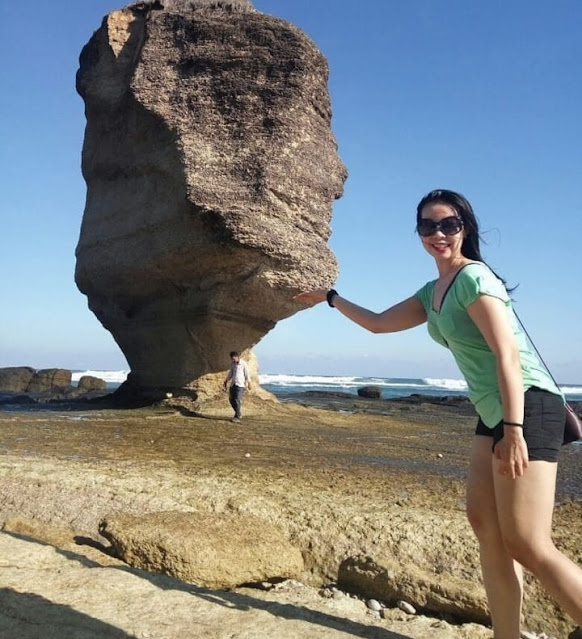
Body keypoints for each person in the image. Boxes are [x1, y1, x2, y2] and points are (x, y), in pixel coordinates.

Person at [295, 189, 582, 638]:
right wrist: (331, 298)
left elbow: (506, 354)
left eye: (448, 224)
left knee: (527, 541)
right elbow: (378, 323)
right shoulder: (433, 292)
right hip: (494, 411)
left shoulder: (474, 278)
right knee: (485, 525)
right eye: (428, 226)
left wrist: (514, 428)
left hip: (527, 403)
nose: (438, 234)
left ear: (464, 227)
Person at [223, 351, 251, 422]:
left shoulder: (243, 364)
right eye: (232, 359)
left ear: (237, 357)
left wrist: (249, 383)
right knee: (231, 399)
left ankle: (237, 417)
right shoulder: (233, 364)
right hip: (233, 384)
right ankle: (238, 413)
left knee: (237, 399)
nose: (233, 360)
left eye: (234, 358)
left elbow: (247, 373)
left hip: (240, 385)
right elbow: (231, 373)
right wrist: (226, 380)